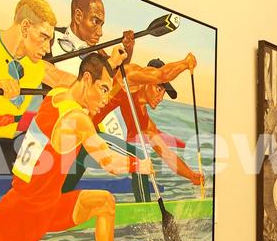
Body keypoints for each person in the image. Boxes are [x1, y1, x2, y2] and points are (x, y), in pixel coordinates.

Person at [0, 54, 153, 241]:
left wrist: (110, 64)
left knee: (104, 203)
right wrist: (139, 164)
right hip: (23, 217)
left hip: (47, 208)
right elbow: (110, 163)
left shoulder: (56, 94)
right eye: (103, 89)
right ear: (87, 79)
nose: (106, 99)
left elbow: (51, 71)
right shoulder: (77, 119)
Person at [67, 57, 203, 190]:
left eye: (164, 93)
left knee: (65, 186)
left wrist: (191, 176)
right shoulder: (128, 78)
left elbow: (167, 154)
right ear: (147, 80)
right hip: (78, 131)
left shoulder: (144, 121)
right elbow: (161, 75)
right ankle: (146, 205)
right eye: (159, 89)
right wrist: (185, 63)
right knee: (140, 158)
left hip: (89, 143)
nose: (161, 98)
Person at [0, 0, 78, 140]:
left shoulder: (37, 66)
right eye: (43, 37)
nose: (47, 48)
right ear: (25, 27)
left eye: (49, 40)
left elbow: (80, 85)